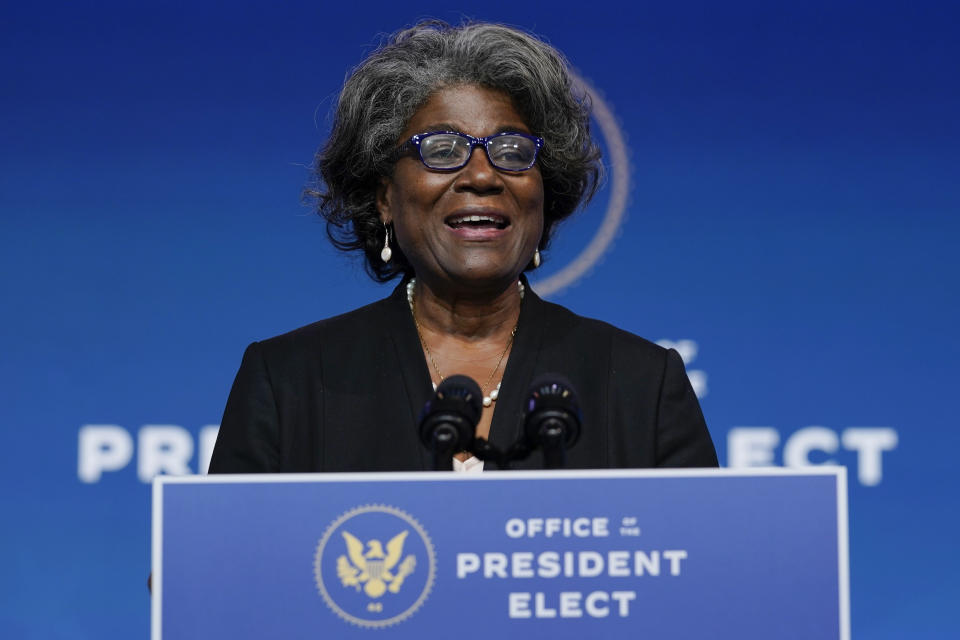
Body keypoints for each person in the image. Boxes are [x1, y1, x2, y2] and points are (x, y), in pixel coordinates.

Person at [209, 20, 717, 474]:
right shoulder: (290, 380)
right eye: (443, 150)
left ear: (544, 193)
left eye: (512, 151)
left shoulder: (641, 384)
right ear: (385, 197)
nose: (481, 175)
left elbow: (704, 570)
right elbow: (205, 570)